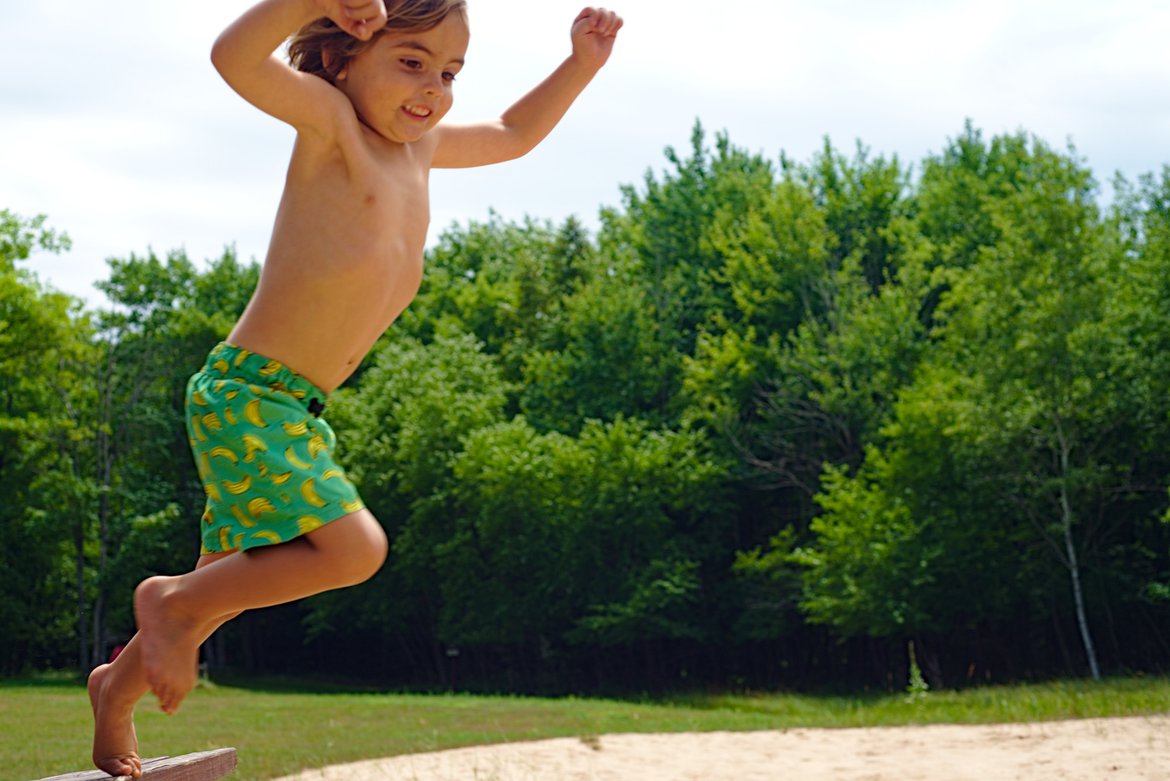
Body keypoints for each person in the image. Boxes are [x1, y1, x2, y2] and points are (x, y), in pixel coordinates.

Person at [87, 0, 622, 775]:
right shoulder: (332, 126)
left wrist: (579, 65)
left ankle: (116, 690)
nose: (432, 88)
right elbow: (234, 59)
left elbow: (513, 135)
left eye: (449, 72)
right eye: (411, 62)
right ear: (343, 56)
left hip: (296, 407)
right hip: (247, 394)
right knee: (352, 549)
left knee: (224, 590)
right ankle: (166, 604)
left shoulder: (423, 150)